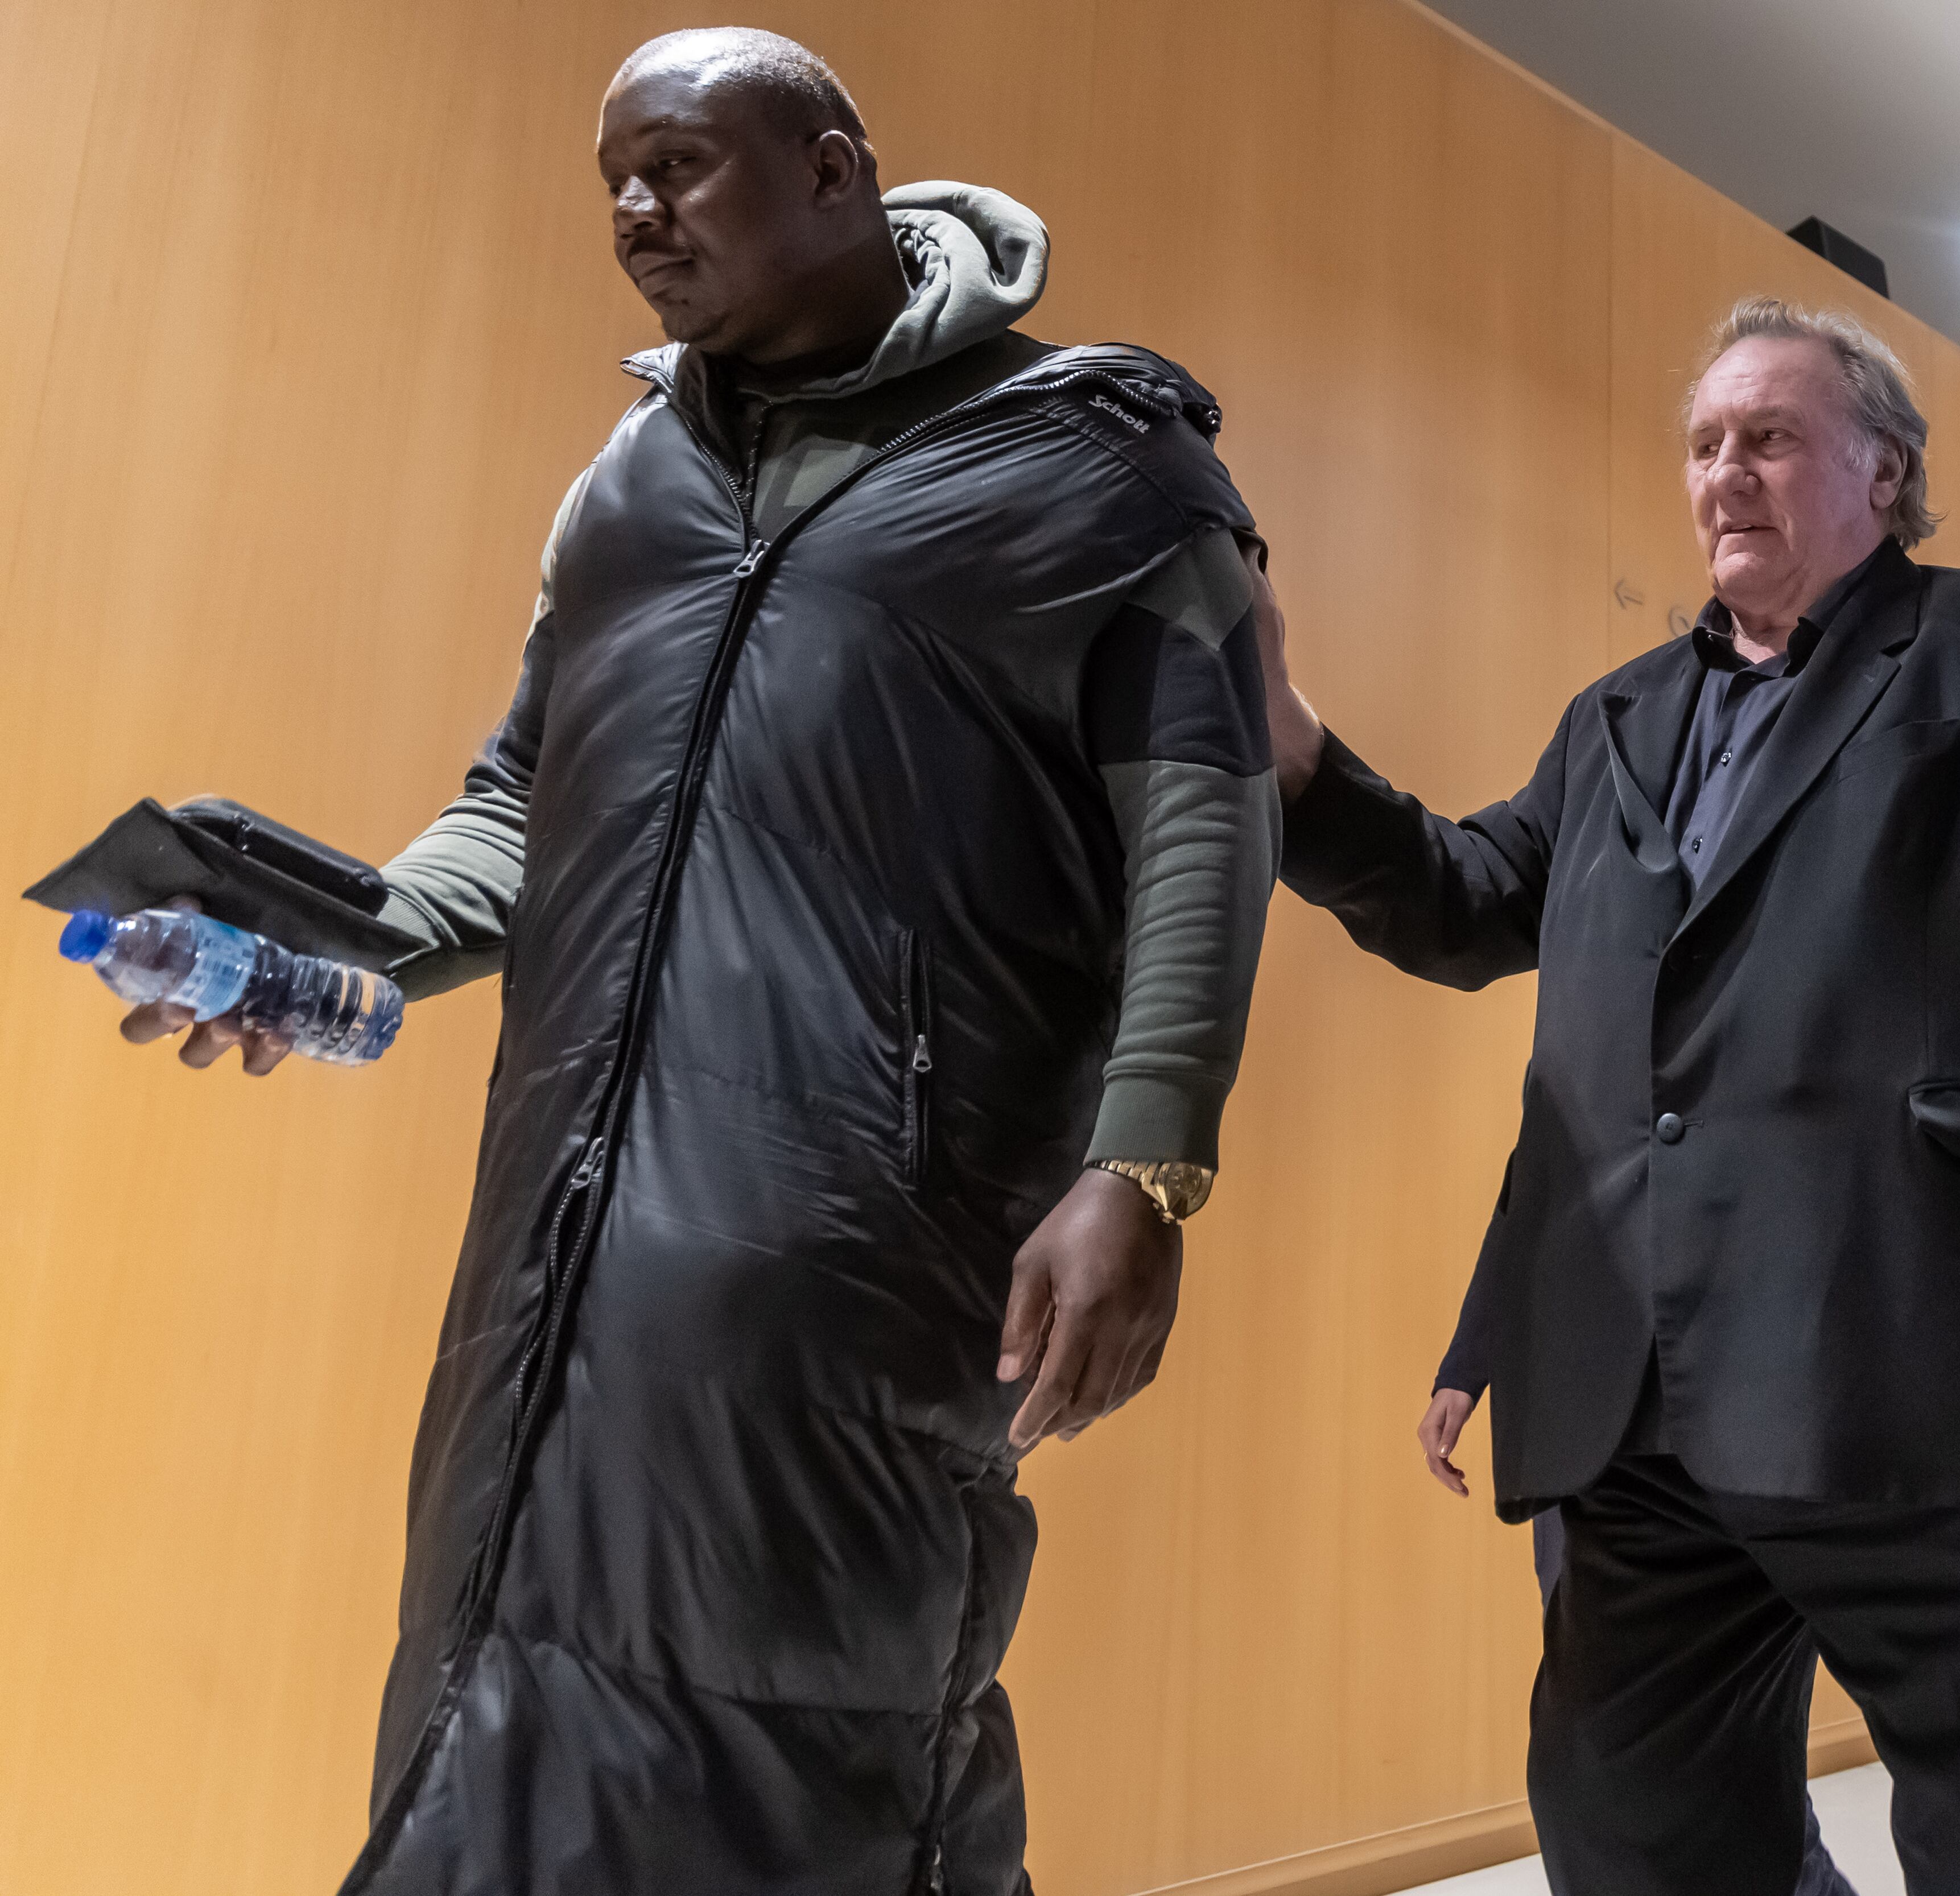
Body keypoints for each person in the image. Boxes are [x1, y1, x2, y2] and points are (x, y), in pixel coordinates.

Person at [117, 30, 1277, 1894]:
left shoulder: (1091, 462)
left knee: (813, 1746)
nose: (635, 213)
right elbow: (519, 803)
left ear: (837, 173)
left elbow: (1209, 826)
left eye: (678, 168)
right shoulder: (631, 486)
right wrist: (338, 948)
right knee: (493, 1724)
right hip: (558, 1261)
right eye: (614, 185)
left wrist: (1147, 1158)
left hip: (847, 1267)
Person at [1262, 269, 1960, 1895]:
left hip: (1918, 1368)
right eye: (1706, 441)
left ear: (1883, 469)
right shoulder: (1616, 720)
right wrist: (1294, 752)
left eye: (1774, 437)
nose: (1727, 471)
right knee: (1633, 1830)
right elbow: (1461, 910)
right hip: (1643, 1406)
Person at [1420, 1280, 1858, 1896]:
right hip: (1594, 1427)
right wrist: (1465, 1366)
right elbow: (1534, 1203)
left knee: (1734, 1730)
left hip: (1754, 1414)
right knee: (1590, 1742)